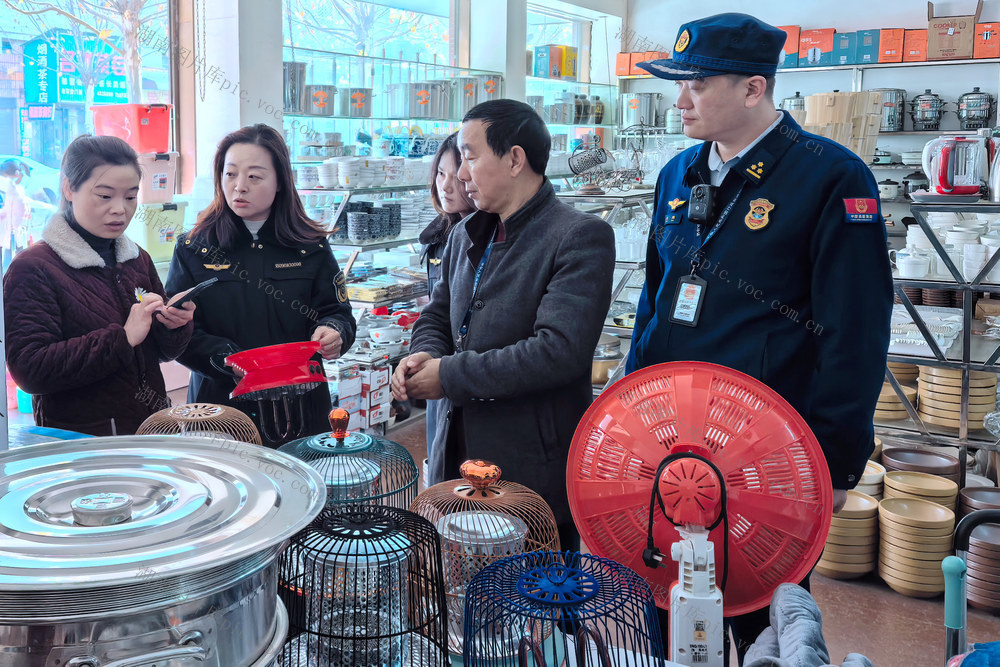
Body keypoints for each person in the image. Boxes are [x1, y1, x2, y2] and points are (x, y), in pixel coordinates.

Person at [623, 13, 892, 663]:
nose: (679, 99)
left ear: (753, 89)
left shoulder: (830, 177)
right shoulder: (677, 175)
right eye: (676, 84)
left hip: (768, 455)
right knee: (668, 606)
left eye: (697, 84)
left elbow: (854, 333)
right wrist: (627, 409)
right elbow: (654, 303)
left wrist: (833, 462)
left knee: (757, 616)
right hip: (671, 445)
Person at [390, 99, 616, 549]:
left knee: (536, 600)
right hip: (455, 449)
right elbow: (437, 313)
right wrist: (427, 355)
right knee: (458, 589)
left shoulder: (578, 235)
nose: (460, 175)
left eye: (471, 157)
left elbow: (558, 351)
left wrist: (450, 375)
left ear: (515, 159)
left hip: (529, 463)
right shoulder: (465, 232)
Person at [166, 123, 356, 445]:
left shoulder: (310, 246)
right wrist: (228, 360)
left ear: (280, 181)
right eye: (231, 174)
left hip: (300, 407)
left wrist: (336, 332)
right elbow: (179, 331)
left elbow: (338, 313)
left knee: (299, 489)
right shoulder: (194, 248)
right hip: (221, 410)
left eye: (254, 176)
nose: (239, 186)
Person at [4, 135, 195, 435]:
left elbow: (158, 353)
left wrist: (173, 326)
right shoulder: (33, 268)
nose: (120, 209)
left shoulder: (137, 258)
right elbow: (30, 370)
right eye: (105, 196)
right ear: (69, 188)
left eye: (130, 197)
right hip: (85, 447)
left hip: (154, 430)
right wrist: (122, 338)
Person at [416, 132, 476, 467]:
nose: (448, 185)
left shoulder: (486, 236)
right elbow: (437, 310)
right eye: (441, 173)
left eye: (457, 174)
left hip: (467, 376)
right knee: (439, 457)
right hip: (437, 370)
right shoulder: (439, 232)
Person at [0, 160, 30, 273]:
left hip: (13, 230)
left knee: (13, 255)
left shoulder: (13, 188)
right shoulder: (15, 188)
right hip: (14, 230)